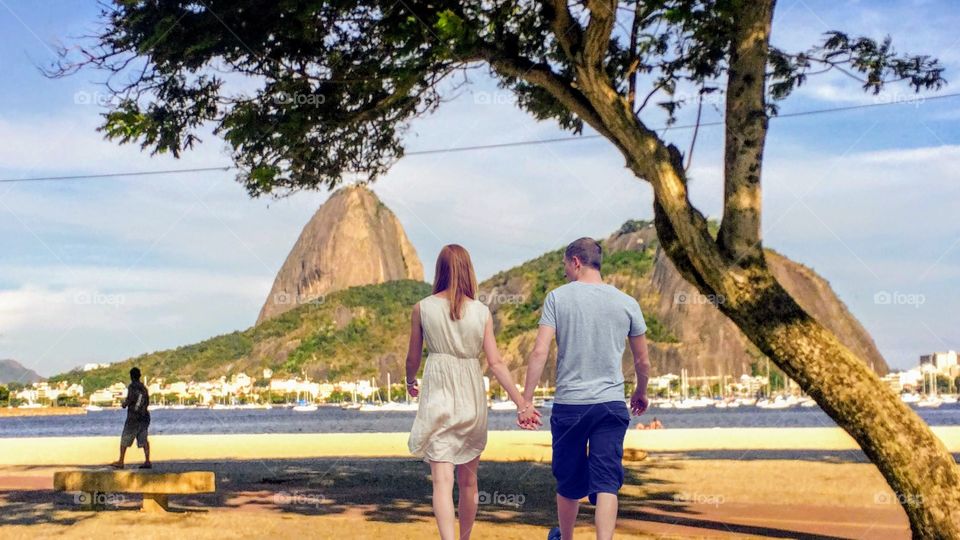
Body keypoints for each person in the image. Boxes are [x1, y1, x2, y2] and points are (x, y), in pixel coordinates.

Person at [518, 237, 651, 540]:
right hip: (610, 405)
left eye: (566, 265)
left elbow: (539, 352)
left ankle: (566, 538)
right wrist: (641, 391)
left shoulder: (557, 298)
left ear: (576, 262)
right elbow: (643, 361)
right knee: (606, 481)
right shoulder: (627, 303)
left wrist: (526, 400)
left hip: (570, 406)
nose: (565, 271)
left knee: (568, 479)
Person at [407, 244, 541, 540]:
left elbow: (412, 359)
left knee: (441, 482)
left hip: (438, 395)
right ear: (468, 270)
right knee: (469, 482)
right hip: (471, 396)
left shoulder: (422, 308)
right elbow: (495, 363)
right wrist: (521, 403)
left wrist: (409, 381)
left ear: (440, 270)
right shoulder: (481, 313)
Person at [111, 367, 151, 470]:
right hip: (144, 416)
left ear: (131, 376)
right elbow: (147, 402)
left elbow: (131, 399)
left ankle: (121, 461)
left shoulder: (132, 387)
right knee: (143, 439)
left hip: (134, 417)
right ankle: (147, 460)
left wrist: (124, 404)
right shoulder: (144, 388)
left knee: (125, 438)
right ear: (140, 376)